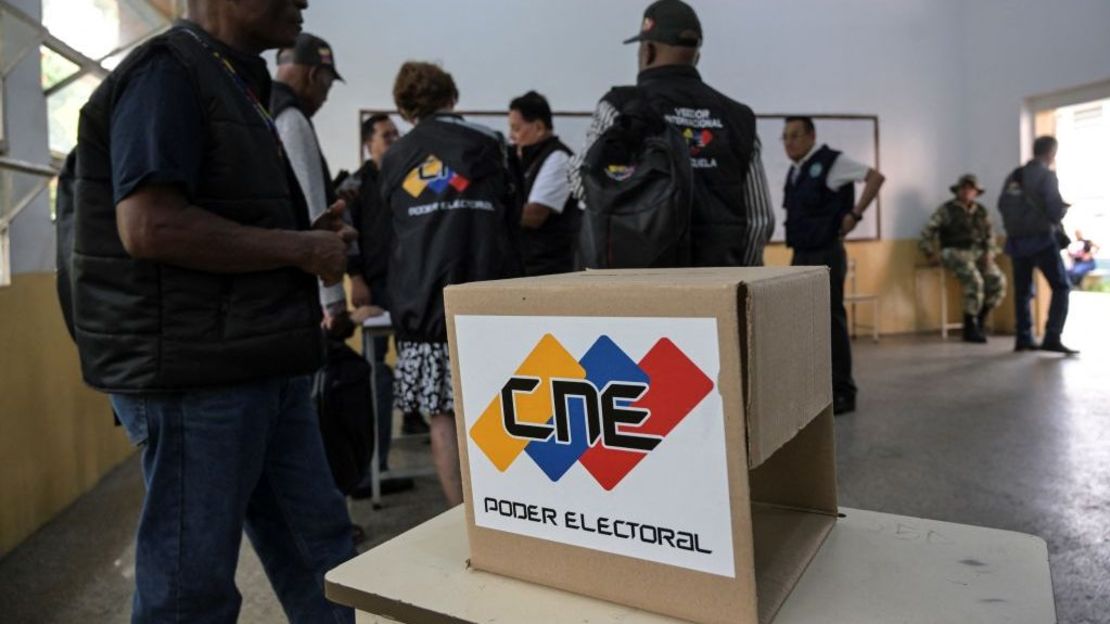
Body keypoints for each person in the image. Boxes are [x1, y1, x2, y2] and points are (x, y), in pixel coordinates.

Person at [69, 1, 357, 622]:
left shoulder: (230, 76)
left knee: (326, 558)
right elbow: (148, 226)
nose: (304, 1)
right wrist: (300, 249)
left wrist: (303, 239)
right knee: (190, 593)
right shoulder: (166, 70)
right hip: (197, 381)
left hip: (260, 362)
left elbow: (219, 219)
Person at [374, 61, 522, 506]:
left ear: (403, 107)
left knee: (442, 419)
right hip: (491, 303)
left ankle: (462, 521)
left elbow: (388, 235)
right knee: (506, 413)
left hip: (424, 309)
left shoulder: (396, 156)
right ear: (451, 96)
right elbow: (512, 219)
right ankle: (510, 512)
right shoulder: (491, 142)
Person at [570, 0, 775, 267]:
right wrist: (737, 279)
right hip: (717, 292)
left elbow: (582, 182)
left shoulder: (620, 108)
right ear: (696, 56)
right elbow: (760, 220)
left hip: (640, 291)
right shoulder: (739, 118)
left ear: (648, 52)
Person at [781, 116, 886, 415]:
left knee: (831, 321)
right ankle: (818, 388)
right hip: (801, 253)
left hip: (825, 253)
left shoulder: (832, 161)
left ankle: (843, 391)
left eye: (795, 135)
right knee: (806, 322)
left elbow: (875, 177)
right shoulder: (795, 170)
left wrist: (855, 214)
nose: (790, 142)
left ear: (811, 135)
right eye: (785, 137)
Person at [343, 114, 424, 499]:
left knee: (418, 358)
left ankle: (412, 419)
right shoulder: (354, 186)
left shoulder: (412, 175)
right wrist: (355, 277)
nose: (393, 140)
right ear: (368, 144)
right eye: (386, 136)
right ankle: (377, 464)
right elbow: (345, 236)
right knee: (378, 371)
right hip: (374, 287)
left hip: (412, 286)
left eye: (397, 134)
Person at [272, 31, 351, 332]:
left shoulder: (254, 102)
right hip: (296, 298)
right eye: (328, 85)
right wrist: (333, 302)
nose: (326, 97)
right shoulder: (292, 118)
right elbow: (314, 212)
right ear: (314, 75)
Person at [1002, 136, 1077, 354]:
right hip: (1042, 241)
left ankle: (1024, 337)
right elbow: (1054, 209)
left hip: (1016, 243)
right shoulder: (1046, 176)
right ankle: (1052, 336)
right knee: (1061, 286)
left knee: (1023, 291)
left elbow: (1002, 204)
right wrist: (1062, 210)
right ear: (1051, 154)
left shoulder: (1014, 176)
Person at [919, 174, 1006, 343]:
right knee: (975, 281)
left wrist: (989, 253)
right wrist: (929, 253)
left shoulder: (981, 211)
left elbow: (990, 235)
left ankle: (980, 320)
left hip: (979, 254)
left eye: (971, 189)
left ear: (976, 192)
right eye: (964, 188)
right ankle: (969, 326)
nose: (967, 192)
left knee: (998, 281)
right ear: (957, 191)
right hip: (954, 252)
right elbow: (926, 233)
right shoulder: (946, 210)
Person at [508, 91, 580, 275]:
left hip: (549, 268)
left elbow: (535, 215)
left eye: (516, 129)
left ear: (539, 127)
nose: (511, 136)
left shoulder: (558, 158)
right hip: (526, 263)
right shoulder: (523, 160)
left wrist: (494, 214)